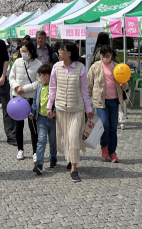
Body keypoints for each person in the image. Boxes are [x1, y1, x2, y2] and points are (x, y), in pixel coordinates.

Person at [47, 41, 93, 183]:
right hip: (61, 108)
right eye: (59, 50)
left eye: (62, 50)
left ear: (70, 53)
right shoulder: (56, 67)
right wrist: (49, 106)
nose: (59, 52)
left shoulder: (81, 68)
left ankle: (74, 168)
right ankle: (70, 158)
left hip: (77, 108)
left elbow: (84, 91)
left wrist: (88, 109)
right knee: (65, 138)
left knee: (73, 137)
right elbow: (52, 88)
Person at [88, 45, 126, 163]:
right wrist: (87, 103)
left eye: (108, 56)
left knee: (113, 128)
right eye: (103, 56)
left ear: (111, 55)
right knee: (105, 124)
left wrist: (124, 86)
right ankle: (104, 146)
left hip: (114, 100)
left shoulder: (117, 67)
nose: (105, 58)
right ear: (100, 55)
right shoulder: (95, 67)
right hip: (100, 101)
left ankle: (112, 152)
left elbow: (125, 82)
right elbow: (89, 84)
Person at [9, 41, 42, 162]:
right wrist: (16, 87)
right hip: (17, 98)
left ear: (31, 51)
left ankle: (35, 151)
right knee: (18, 125)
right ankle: (20, 149)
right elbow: (11, 77)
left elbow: (39, 81)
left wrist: (25, 89)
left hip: (30, 98)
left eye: (25, 51)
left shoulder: (38, 64)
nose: (23, 53)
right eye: (22, 51)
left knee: (32, 125)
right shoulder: (17, 62)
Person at [31, 63, 57, 174]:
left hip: (53, 119)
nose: (39, 78)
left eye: (41, 75)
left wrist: (55, 112)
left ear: (48, 76)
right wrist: (32, 111)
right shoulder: (39, 87)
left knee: (53, 140)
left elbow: (58, 102)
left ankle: (53, 157)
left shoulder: (55, 87)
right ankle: (39, 163)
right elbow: (35, 100)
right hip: (41, 118)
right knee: (41, 140)